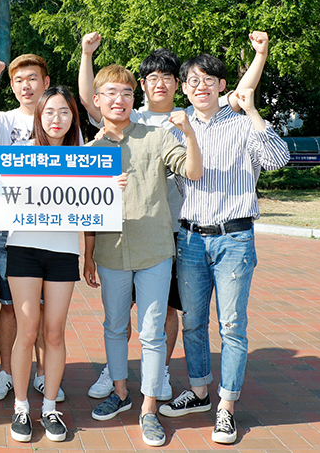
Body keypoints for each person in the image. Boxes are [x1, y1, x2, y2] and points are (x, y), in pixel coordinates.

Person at [78, 32, 269, 401]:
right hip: (122, 234)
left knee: (166, 308)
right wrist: (87, 54)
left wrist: (260, 55)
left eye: (167, 77)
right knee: (118, 316)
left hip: (174, 232)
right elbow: (92, 97)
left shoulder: (189, 116)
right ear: (143, 86)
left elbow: (240, 95)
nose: (159, 83)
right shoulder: (131, 116)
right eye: (151, 78)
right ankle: (114, 371)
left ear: (176, 85)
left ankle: (159, 371)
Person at [158, 36, 289, 445]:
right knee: (192, 321)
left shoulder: (240, 124)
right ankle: (199, 391)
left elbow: (277, 159)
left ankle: (226, 407)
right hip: (191, 240)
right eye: (192, 81)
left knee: (231, 325)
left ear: (221, 85)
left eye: (208, 79)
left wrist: (252, 111)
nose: (200, 86)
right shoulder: (175, 127)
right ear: (183, 88)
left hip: (234, 239)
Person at [83, 64, 202, 447]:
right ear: (97, 101)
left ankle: (148, 408)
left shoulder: (156, 137)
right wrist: (87, 256)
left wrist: (189, 134)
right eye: (111, 94)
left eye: (127, 94)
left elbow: (194, 171)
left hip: (154, 250)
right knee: (115, 326)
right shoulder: (90, 153)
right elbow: (81, 208)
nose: (119, 100)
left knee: (152, 333)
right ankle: (120, 392)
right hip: (110, 251)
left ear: (134, 100)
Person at [0, 86, 99, 443]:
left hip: (64, 253)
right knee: (28, 329)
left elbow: (96, 209)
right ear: (39, 116)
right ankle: (21, 407)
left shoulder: (84, 157)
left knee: (54, 332)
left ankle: (50, 406)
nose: (56, 119)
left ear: (73, 119)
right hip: (24, 250)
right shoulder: (20, 154)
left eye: (64, 112)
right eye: (49, 112)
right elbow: (5, 199)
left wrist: (113, 187)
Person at [0, 55, 67, 402]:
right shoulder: (6, 120)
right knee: (11, 304)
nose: (26, 86)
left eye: (32, 79)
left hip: (54, 229)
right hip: (9, 229)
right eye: (18, 81)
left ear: (45, 80)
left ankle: (42, 373)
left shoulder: (61, 120)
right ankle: (8, 372)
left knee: (46, 308)